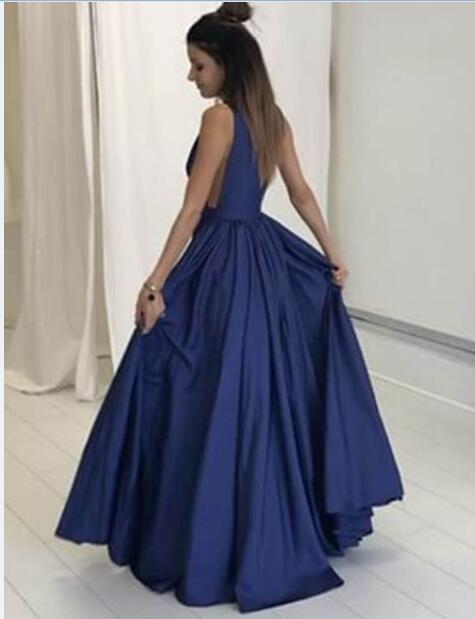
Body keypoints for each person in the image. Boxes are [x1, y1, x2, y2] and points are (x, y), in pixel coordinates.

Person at [55, 2, 404, 614]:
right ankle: (256, 516)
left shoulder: (219, 119)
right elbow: (300, 192)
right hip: (262, 258)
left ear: (226, 63)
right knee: (253, 390)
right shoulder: (272, 118)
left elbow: (194, 209)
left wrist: (154, 282)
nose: (192, 76)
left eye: (198, 65)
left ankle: (199, 527)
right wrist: (333, 254)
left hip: (220, 260)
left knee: (190, 382)